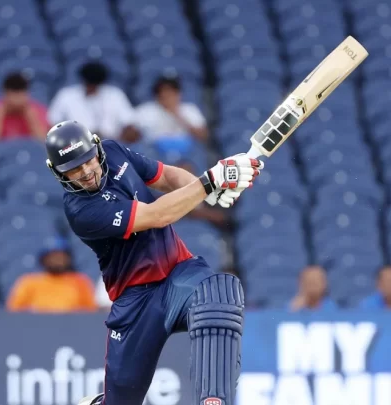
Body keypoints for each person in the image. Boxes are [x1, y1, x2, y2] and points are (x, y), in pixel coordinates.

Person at [44, 121, 262, 405]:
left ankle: (214, 400)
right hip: (136, 302)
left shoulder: (112, 151)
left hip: (178, 276)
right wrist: (210, 181)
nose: (86, 172)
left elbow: (167, 177)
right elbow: (157, 215)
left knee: (220, 291)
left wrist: (211, 192)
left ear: (96, 148)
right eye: (73, 168)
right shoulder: (81, 210)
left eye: (88, 160)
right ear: (57, 172)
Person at [48, 62, 139, 142]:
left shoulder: (115, 95)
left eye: (95, 84)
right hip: (74, 146)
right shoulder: (66, 95)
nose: (92, 87)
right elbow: (52, 125)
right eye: (89, 83)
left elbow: (130, 125)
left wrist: (117, 141)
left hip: (109, 144)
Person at [134, 75, 207, 169]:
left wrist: (177, 114)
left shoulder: (189, 109)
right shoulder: (146, 110)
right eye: (164, 92)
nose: (167, 95)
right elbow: (132, 135)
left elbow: (203, 136)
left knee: (197, 155)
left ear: (178, 94)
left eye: (171, 92)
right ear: (157, 94)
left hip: (186, 152)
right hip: (155, 151)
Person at [6, 239, 98, 313]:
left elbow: (90, 312)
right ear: (43, 259)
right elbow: (14, 312)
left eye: (61, 256)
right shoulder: (29, 282)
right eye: (53, 256)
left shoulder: (81, 282)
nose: (57, 260)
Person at [0, 72, 49, 145]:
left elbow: (44, 144)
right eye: (14, 92)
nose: (17, 98)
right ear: (6, 93)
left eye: (21, 92)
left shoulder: (38, 110)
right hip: (3, 154)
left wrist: (32, 118)